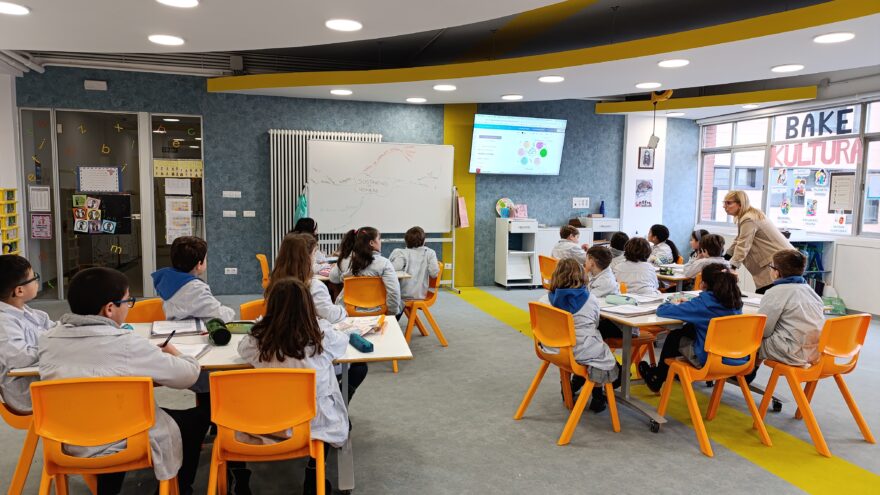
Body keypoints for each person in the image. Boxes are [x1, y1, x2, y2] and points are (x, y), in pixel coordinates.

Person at [38, 267, 209, 495]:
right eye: (128, 301)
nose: (129, 306)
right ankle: (180, 489)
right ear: (110, 308)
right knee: (197, 418)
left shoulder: (48, 341)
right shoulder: (127, 344)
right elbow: (186, 375)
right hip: (122, 438)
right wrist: (178, 353)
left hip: (64, 440)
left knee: (106, 412)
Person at [238, 277, 348, 495]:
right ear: (308, 306)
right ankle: (313, 472)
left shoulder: (258, 339)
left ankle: (238, 479)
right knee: (329, 390)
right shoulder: (321, 336)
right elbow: (342, 343)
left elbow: (242, 350)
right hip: (313, 423)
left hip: (268, 421)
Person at [268, 233, 367, 400]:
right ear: (306, 257)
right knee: (359, 366)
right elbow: (332, 319)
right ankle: (341, 399)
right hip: (311, 355)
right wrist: (343, 310)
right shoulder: (314, 287)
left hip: (279, 352)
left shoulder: (275, 282)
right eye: (315, 253)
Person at [638, 264, 744, 392]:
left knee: (675, 336)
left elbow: (662, 310)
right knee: (690, 328)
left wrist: (676, 303)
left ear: (704, 284)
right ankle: (663, 374)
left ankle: (658, 376)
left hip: (710, 362)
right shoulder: (736, 303)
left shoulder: (702, 304)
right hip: (738, 358)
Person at [539, 259, 619, 413]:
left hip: (552, 350)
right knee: (601, 352)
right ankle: (598, 396)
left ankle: (572, 386)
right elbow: (594, 324)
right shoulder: (591, 300)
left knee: (594, 347)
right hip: (579, 352)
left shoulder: (543, 301)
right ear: (582, 276)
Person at [751, 249, 824, 379]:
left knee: (750, 338)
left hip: (791, 351)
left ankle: (746, 374)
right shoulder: (810, 291)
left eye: (771, 266)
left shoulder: (775, 292)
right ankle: (749, 374)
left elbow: (764, 330)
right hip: (815, 351)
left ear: (777, 273)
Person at [0, 255, 53, 412]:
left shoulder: (30, 313)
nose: (37, 281)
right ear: (19, 290)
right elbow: (18, 357)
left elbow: (55, 330)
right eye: (34, 277)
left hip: (41, 379)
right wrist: (54, 346)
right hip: (25, 393)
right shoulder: (3, 321)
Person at [722, 190, 794, 293]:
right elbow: (738, 240)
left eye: (728, 203)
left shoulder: (748, 219)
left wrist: (732, 267)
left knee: (767, 295)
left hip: (775, 263)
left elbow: (743, 245)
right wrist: (725, 258)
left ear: (740, 204)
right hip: (781, 261)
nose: (724, 206)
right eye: (724, 203)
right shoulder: (750, 215)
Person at [151, 236, 235, 322]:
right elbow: (220, 315)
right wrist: (231, 312)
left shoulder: (167, 280)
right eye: (205, 258)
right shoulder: (195, 288)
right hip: (191, 328)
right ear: (199, 264)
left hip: (173, 324)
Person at [329, 227, 402, 317]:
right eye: (379, 239)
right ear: (371, 243)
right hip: (378, 311)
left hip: (349, 311)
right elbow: (394, 292)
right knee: (400, 305)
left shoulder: (345, 261)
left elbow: (333, 279)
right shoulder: (385, 263)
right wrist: (390, 314)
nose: (381, 242)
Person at [390, 226, 440, 301]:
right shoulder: (430, 253)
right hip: (421, 296)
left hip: (401, 296)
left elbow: (391, 269)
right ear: (424, 241)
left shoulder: (400, 253)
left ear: (406, 241)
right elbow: (434, 274)